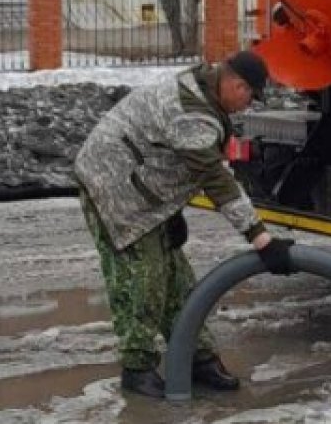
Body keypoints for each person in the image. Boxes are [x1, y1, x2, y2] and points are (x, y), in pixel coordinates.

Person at [74, 50, 295, 399]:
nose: (249, 103)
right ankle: (136, 367)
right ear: (236, 84)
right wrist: (261, 239)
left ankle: (198, 357)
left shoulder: (203, 92)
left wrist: (170, 213)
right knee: (144, 280)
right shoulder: (192, 113)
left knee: (178, 280)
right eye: (250, 95)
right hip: (112, 188)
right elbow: (215, 179)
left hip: (142, 187)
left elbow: (168, 156)